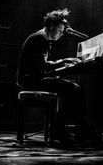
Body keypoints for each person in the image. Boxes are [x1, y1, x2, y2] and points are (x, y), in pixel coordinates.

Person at [16, 8, 86, 144]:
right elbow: (44, 66)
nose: (61, 34)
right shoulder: (39, 39)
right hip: (31, 82)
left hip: (32, 79)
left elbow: (42, 67)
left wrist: (61, 66)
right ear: (51, 26)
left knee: (72, 86)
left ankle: (63, 128)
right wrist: (65, 61)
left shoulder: (41, 38)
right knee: (72, 88)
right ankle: (59, 130)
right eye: (59, 31)